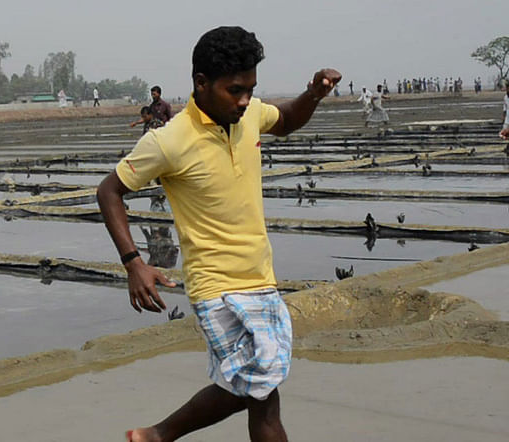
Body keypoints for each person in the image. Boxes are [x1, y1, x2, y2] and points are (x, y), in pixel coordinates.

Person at [96, 26, 340, 442]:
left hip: (261, 277)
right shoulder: (169, 141)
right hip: (218, 286)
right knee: (264, 395)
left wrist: (313, 95)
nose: (245, 100)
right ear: (201, 84)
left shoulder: (248, 118)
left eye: (250, 89)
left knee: (253, 386)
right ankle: (158, 435)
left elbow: (286, 120)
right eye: (235, 90)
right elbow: (109, 191)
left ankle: (155, 436)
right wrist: (133, 263)